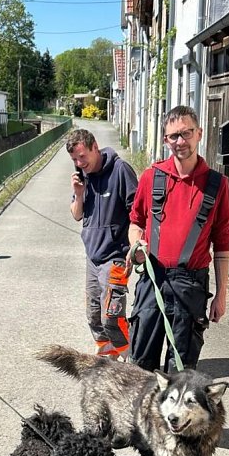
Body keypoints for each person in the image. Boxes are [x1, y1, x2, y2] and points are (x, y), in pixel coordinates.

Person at [126, 105, 229, 372]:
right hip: (153, 280)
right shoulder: (151, 177)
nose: (180, 142)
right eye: (173, 136)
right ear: (165, 140)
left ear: (199, 134)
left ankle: (171, 415)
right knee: (140, 368)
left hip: (191, 285)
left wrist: (221, 295)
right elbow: (135, 222)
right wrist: (136, 245)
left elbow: (221, 244)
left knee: (181, 372)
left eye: (186, 133)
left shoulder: (217, 185)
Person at [66, 128, 137, 358]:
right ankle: (108, 358)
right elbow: (77, 215)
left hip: (115, 256)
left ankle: (133, 359)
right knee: (94, 315)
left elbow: (137, 212)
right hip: (93, 258)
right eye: (75, 159)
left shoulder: (120, 170)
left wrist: (135, 246)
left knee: (112, 317)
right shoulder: (82, 177)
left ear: (94, 147)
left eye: (82, 156)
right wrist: (78, 193)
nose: (79, 162)